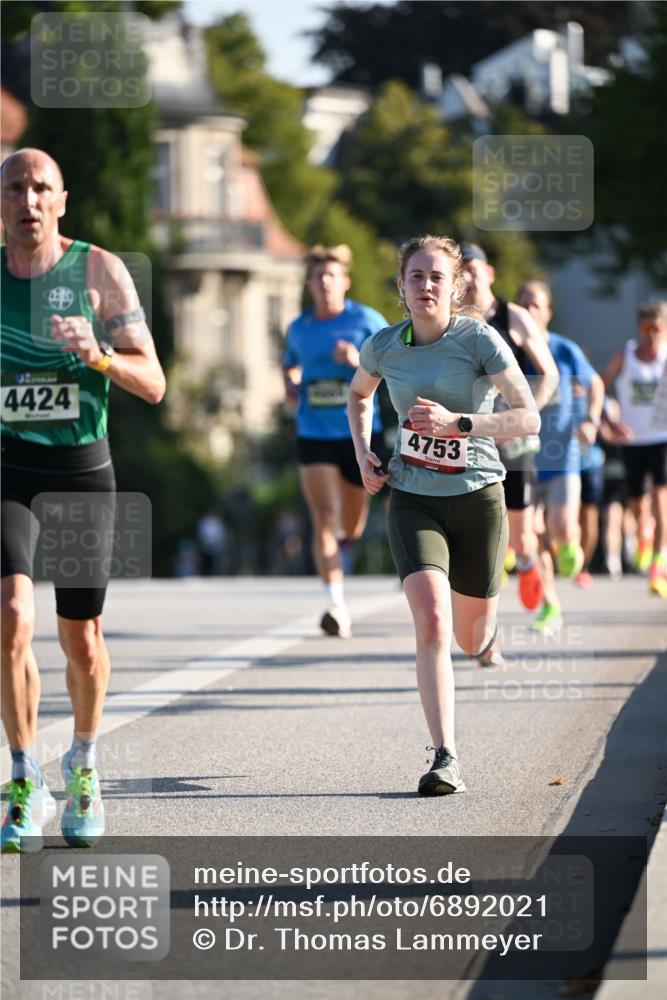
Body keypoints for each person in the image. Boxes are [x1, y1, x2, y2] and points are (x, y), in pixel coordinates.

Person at [1, 149, 166, 852]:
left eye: (41, 188)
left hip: (80, 469)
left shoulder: (98, 269)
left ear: (61, 200)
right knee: (11, 614)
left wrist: (98, 354)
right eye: (15, 189)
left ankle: (84, 764)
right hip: (8, 470)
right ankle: (21, 778)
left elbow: (153, 382)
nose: (28, 200)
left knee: (82, 639)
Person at [348, 235, 539, 795]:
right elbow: (359, 396)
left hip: (479, 494)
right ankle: (444, 756)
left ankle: (485, 629)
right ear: (401, 288)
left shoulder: (478, 339)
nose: (426, 285)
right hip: (413, 496)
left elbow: (527, 419)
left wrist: (460, 424)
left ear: (454, 287)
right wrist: (363, 453)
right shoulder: (384, 346)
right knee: (430, 617)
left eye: (436, 277)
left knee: (471, 638)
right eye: (416, 277)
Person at [283, 244, 388, 637]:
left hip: (359, 435)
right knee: (324, 518)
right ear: (309, 283)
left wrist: (357, 362)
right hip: (313, 432)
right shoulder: (300, 327)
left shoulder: (367, 320)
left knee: (351, 526)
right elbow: (290, 364)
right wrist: (289, 383)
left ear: (345, 281)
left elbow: (394, 367)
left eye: (332, 276)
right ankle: (335, 604)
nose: (325, 282)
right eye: (318, 276)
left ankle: (346, 551)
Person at [461, 246, 559, 638]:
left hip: (514, 444)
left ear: (489, 272)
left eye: (472, 270)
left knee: (522, 537)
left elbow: (548, 374)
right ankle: (486, 630)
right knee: (482, 535)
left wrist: (522, 418)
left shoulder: (512, 317)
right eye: (460, 273)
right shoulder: (453, 321)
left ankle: (545, 595)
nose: (467, 279)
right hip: (472, 441)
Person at [515, 281, 604, 632]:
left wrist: (592, 421)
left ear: (548, 313)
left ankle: (570, 547)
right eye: (523, 304)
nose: (529, 310)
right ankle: (550, 606)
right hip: (523, 457)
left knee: (562, 529)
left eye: (536, 304)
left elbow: (595, 384)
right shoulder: (508, 350)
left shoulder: (565, 350)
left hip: (563, 456)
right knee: (528, 536)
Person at [604, 301, 667, 598]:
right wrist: (611, 421)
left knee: (661, 502)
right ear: (639, 328)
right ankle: (644, 533)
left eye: (657, 328)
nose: (651, 334)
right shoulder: (625, 356)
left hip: (662, 438)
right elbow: (598, 387)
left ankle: (658, 566)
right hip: (632, 441)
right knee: (638, 507)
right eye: (646, 328)